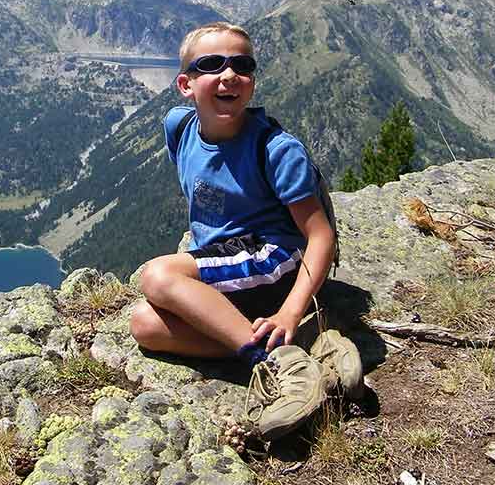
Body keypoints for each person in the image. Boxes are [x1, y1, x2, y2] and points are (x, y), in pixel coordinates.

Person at [129, 22, 362, 440]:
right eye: (211, 65)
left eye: (242, 65)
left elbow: (320, 235)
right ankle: (299, 343)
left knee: (158, 276)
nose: (229, 75)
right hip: (232, 260)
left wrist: (290, 310)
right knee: (145, 325)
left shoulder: (276, 150)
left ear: (252, 80)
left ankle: (275, 366)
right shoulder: (179, 128)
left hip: (276, 260)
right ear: (185, 84)